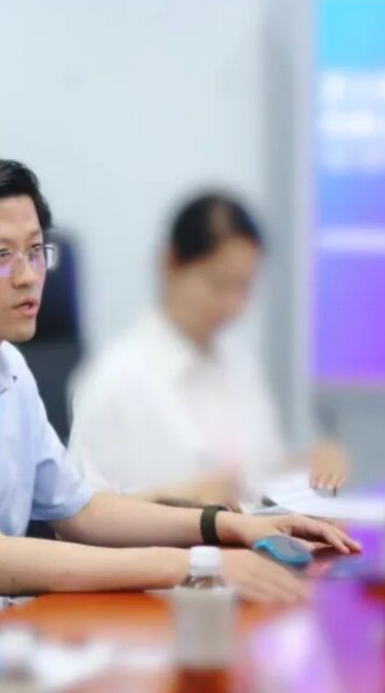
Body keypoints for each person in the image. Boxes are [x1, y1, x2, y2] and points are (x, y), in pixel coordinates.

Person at [0, 156, 359, 650]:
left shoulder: (6, 366)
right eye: (1, 256)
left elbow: (80, 512)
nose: (28, 276)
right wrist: (197, 565)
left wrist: (232, 528)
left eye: (36, 251)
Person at [67, 192, 350, 509]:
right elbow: (83, 516)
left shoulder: (237, 363)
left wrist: (307, 470)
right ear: (170, 263)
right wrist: (188, 498)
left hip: (254, 538)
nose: (233, 305)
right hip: (169, 543)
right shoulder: (115, 379)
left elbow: (259, 480)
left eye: (244, 288)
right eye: (219, 285)